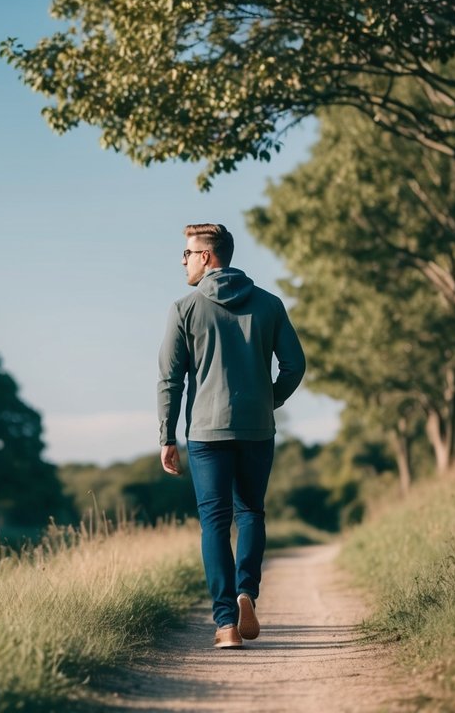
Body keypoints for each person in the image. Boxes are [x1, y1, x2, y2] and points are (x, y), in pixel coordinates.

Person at [158, 223, 305, 649]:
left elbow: (170, 380)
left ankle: (225, 624)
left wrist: (167, 435)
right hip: (257, 428)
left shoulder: (184, 308)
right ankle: (246, 593)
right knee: (251, 513)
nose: (183, 261)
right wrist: (267, 401)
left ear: (206, 257)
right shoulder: (270, 304)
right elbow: (294, 365)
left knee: (215, 523)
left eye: (187, 253)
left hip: (206, 432)